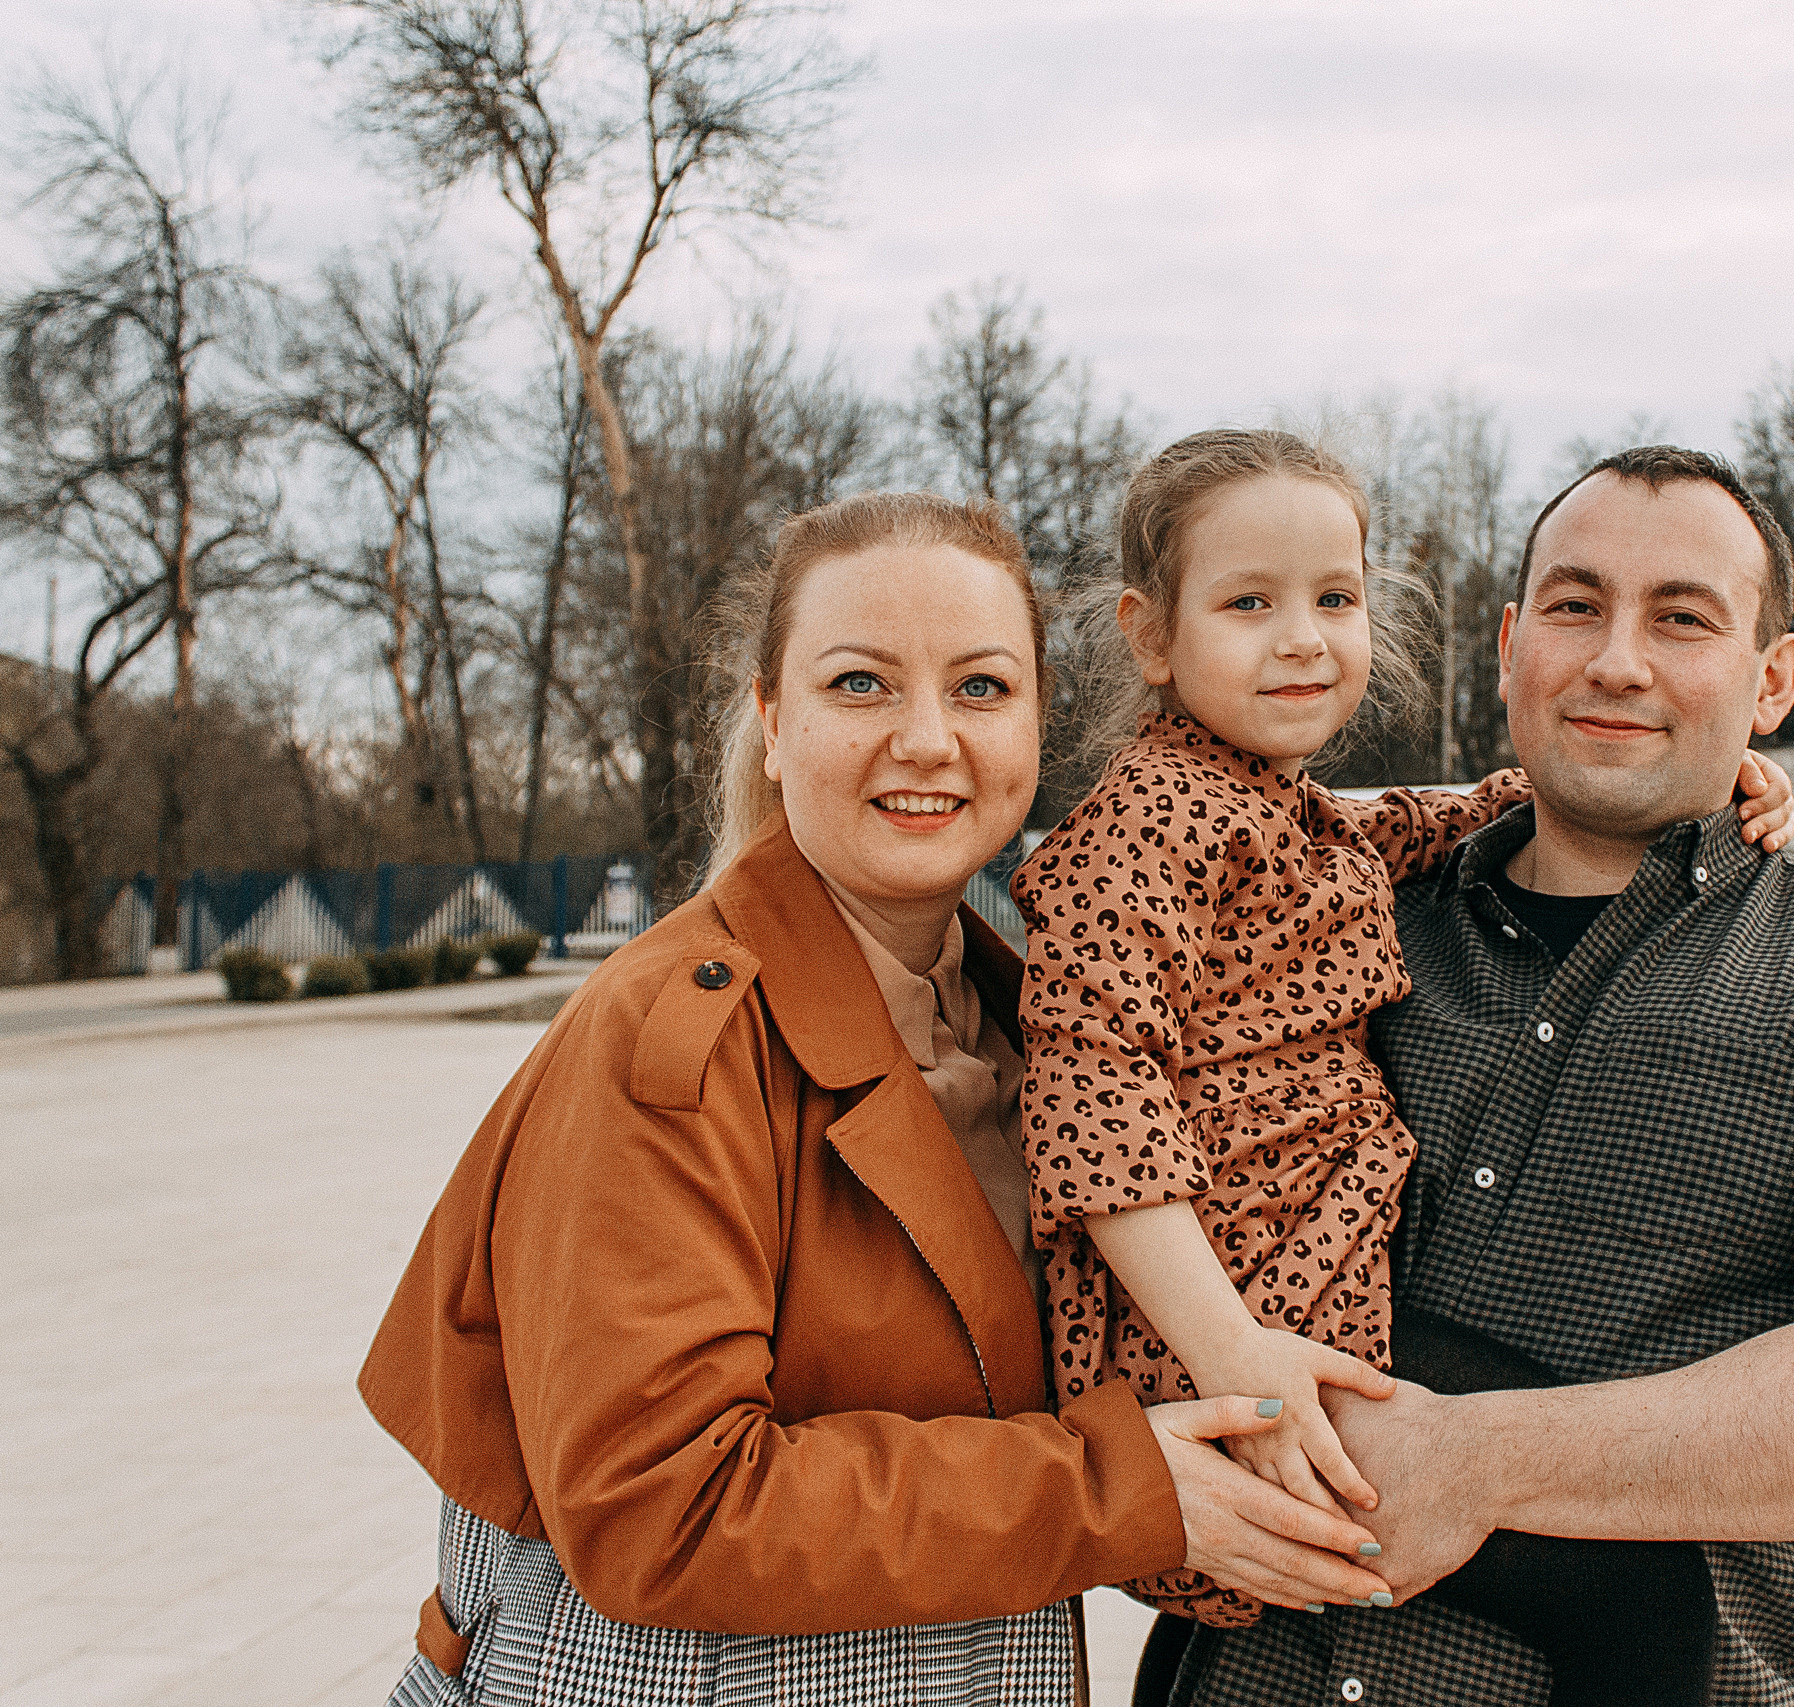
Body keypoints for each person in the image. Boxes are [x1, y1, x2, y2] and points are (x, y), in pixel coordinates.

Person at [354, 492, 1400, 1707]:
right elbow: (662, 1510)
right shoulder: (670, 1043)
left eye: (979, 688)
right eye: (860, 685)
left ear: (1037, 725)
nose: (926, 740)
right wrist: (1120, 1493)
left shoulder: (1033, 1021)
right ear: (770, 721)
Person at [1158, 447, 1794, 1706]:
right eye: (1576, 606)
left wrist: (1469, 1460)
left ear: (1774, 680)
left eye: (1682, 619)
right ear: (1509, 642)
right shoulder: (1317, 918)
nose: (1616, 661)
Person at [1008, 431, 1794, 1686]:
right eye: (1248, 603)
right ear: (1152, 637)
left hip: (1301, 1295)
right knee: (1641, 1600)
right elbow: (1093, 1098)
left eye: (1336, 599)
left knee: (1567, 1580)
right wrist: (1234, 1356)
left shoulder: (1279, 808)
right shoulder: (1142, 830)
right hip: (1262, 1321)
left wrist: (1706, 765)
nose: (1303, 638)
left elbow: (1429, 818)